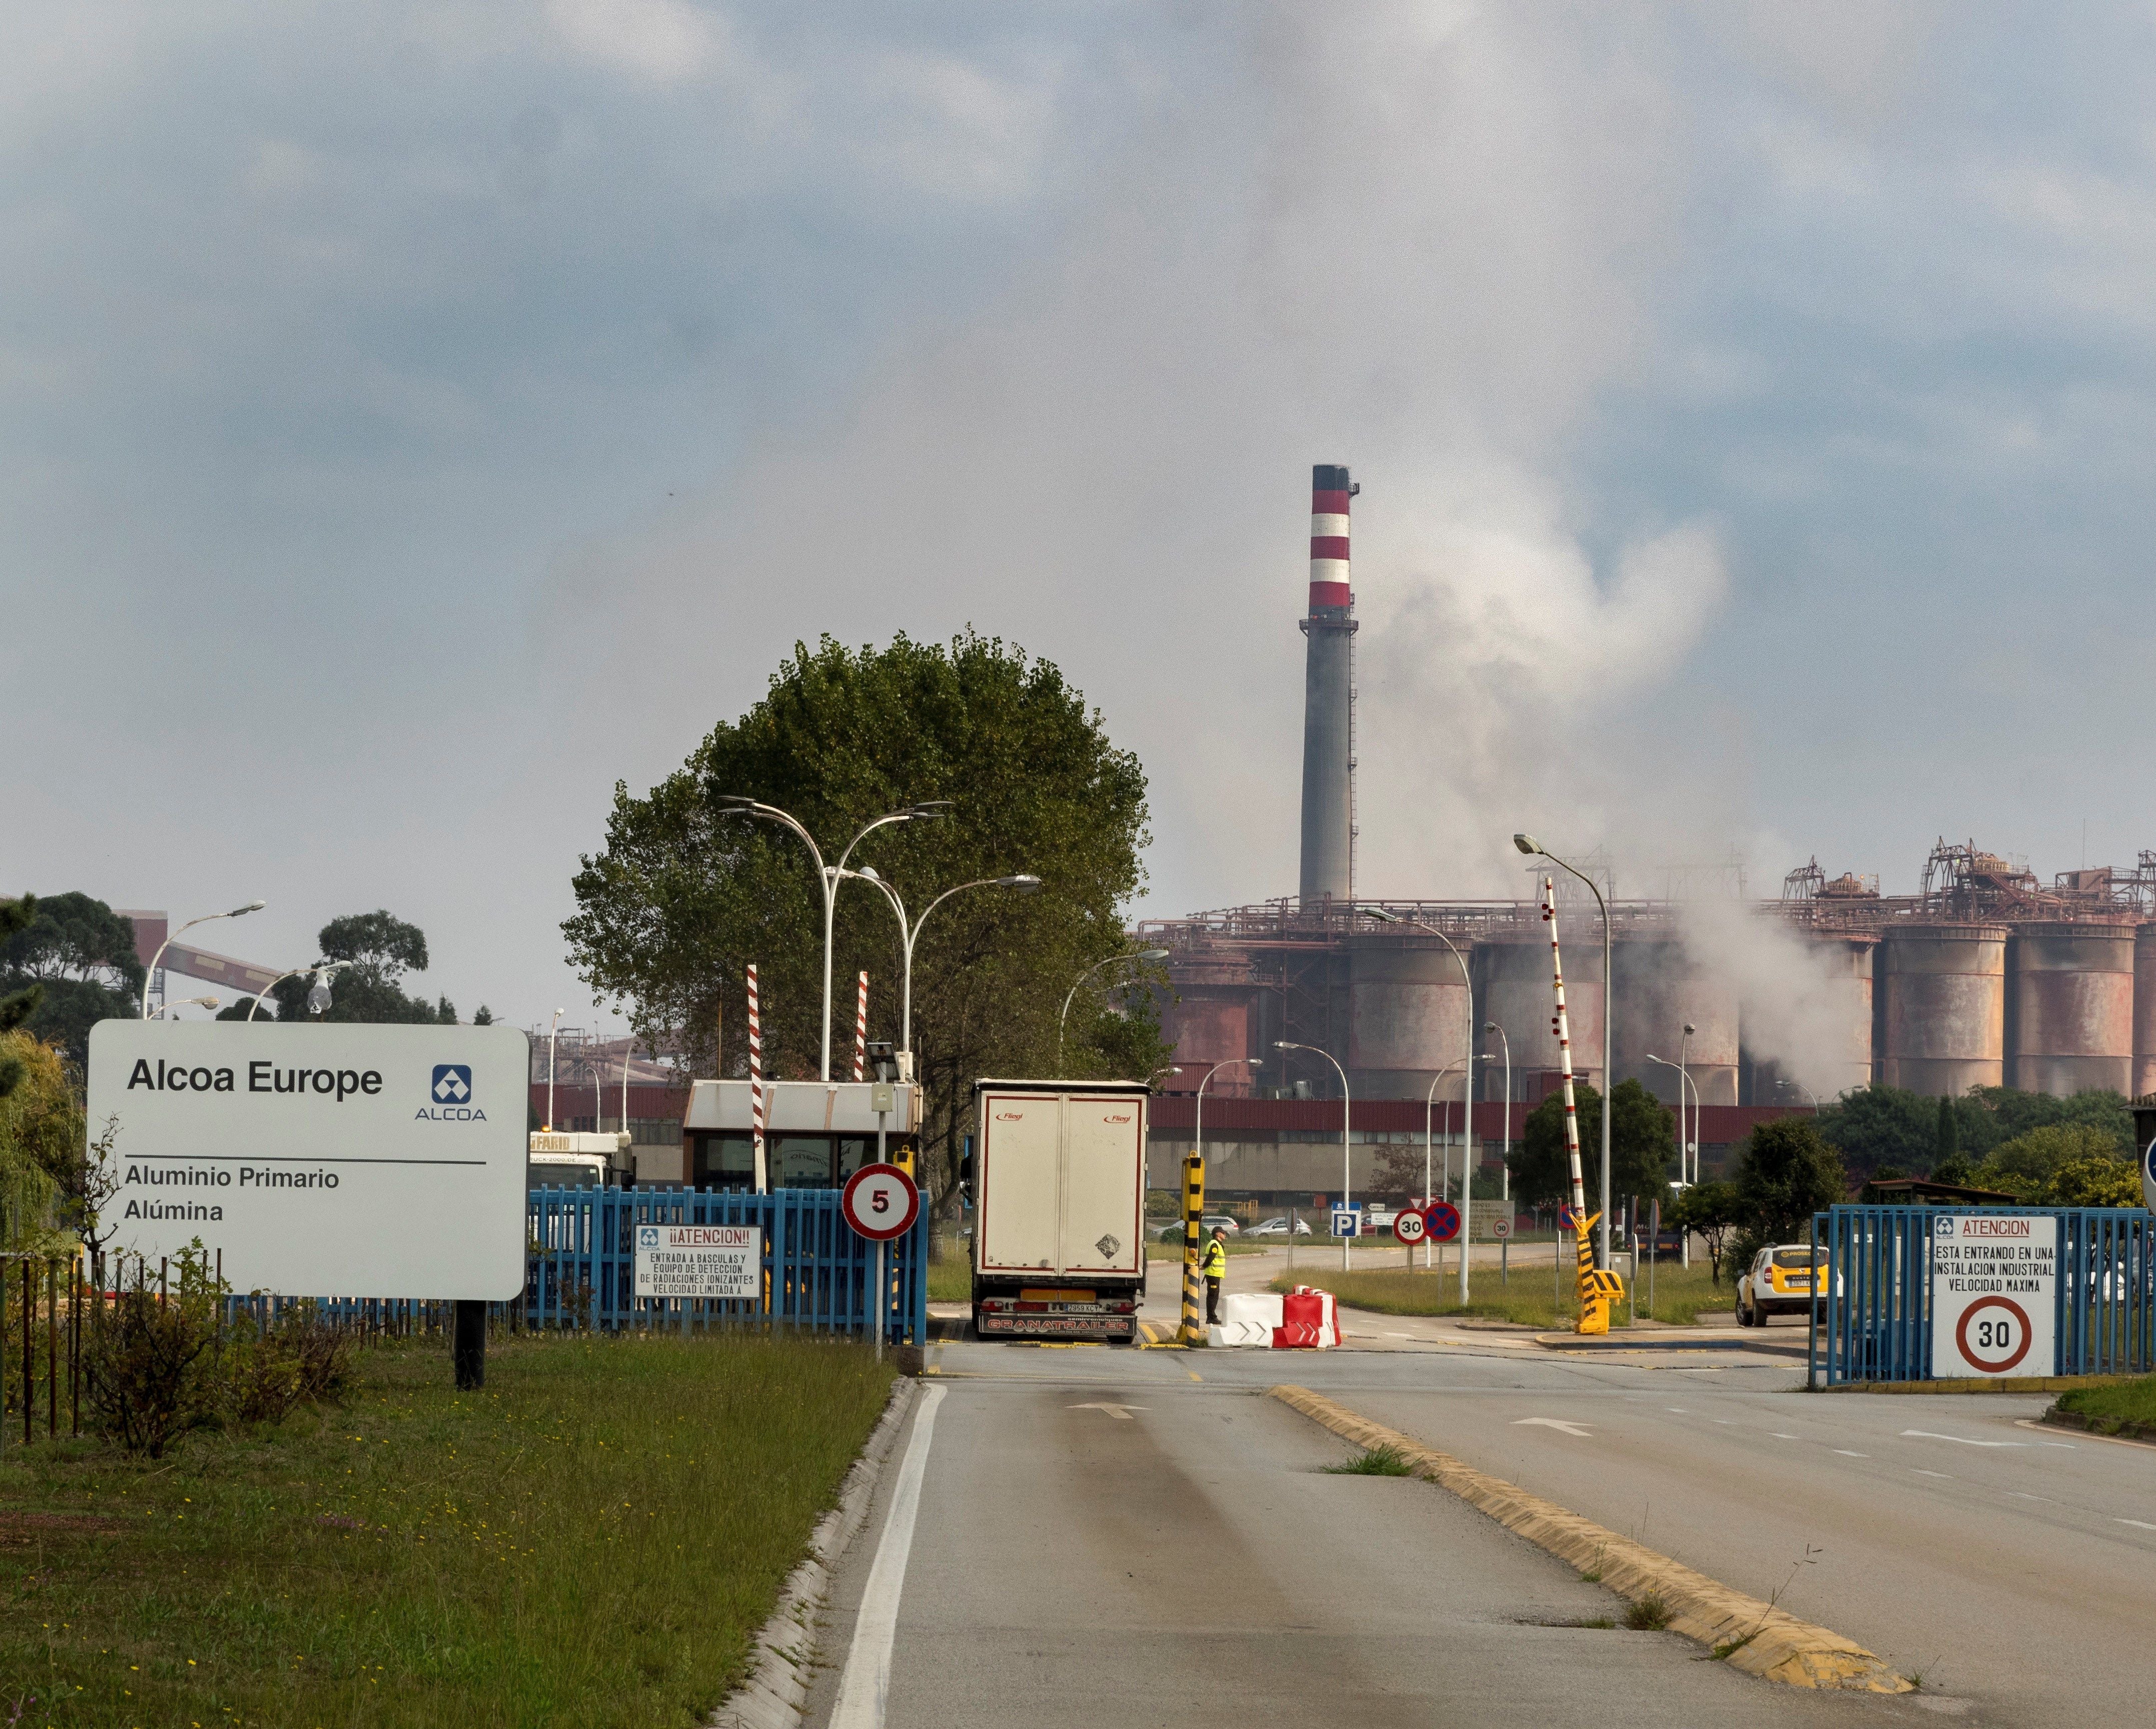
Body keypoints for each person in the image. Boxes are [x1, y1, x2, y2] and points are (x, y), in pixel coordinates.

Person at [1200, 1225, 1228, 1325]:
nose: (1225, 1234)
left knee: (1213, 1296)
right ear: (1218, 1234)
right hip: (1213, 1274)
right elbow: (1211, 1257)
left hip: (1214, 1274)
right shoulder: (1215, 1244)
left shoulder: (1217, 1244)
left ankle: (1212, 1317)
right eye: (1223, 1233)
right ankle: (1211, 1317)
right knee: (1213, 1296)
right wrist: (1204, 1266)